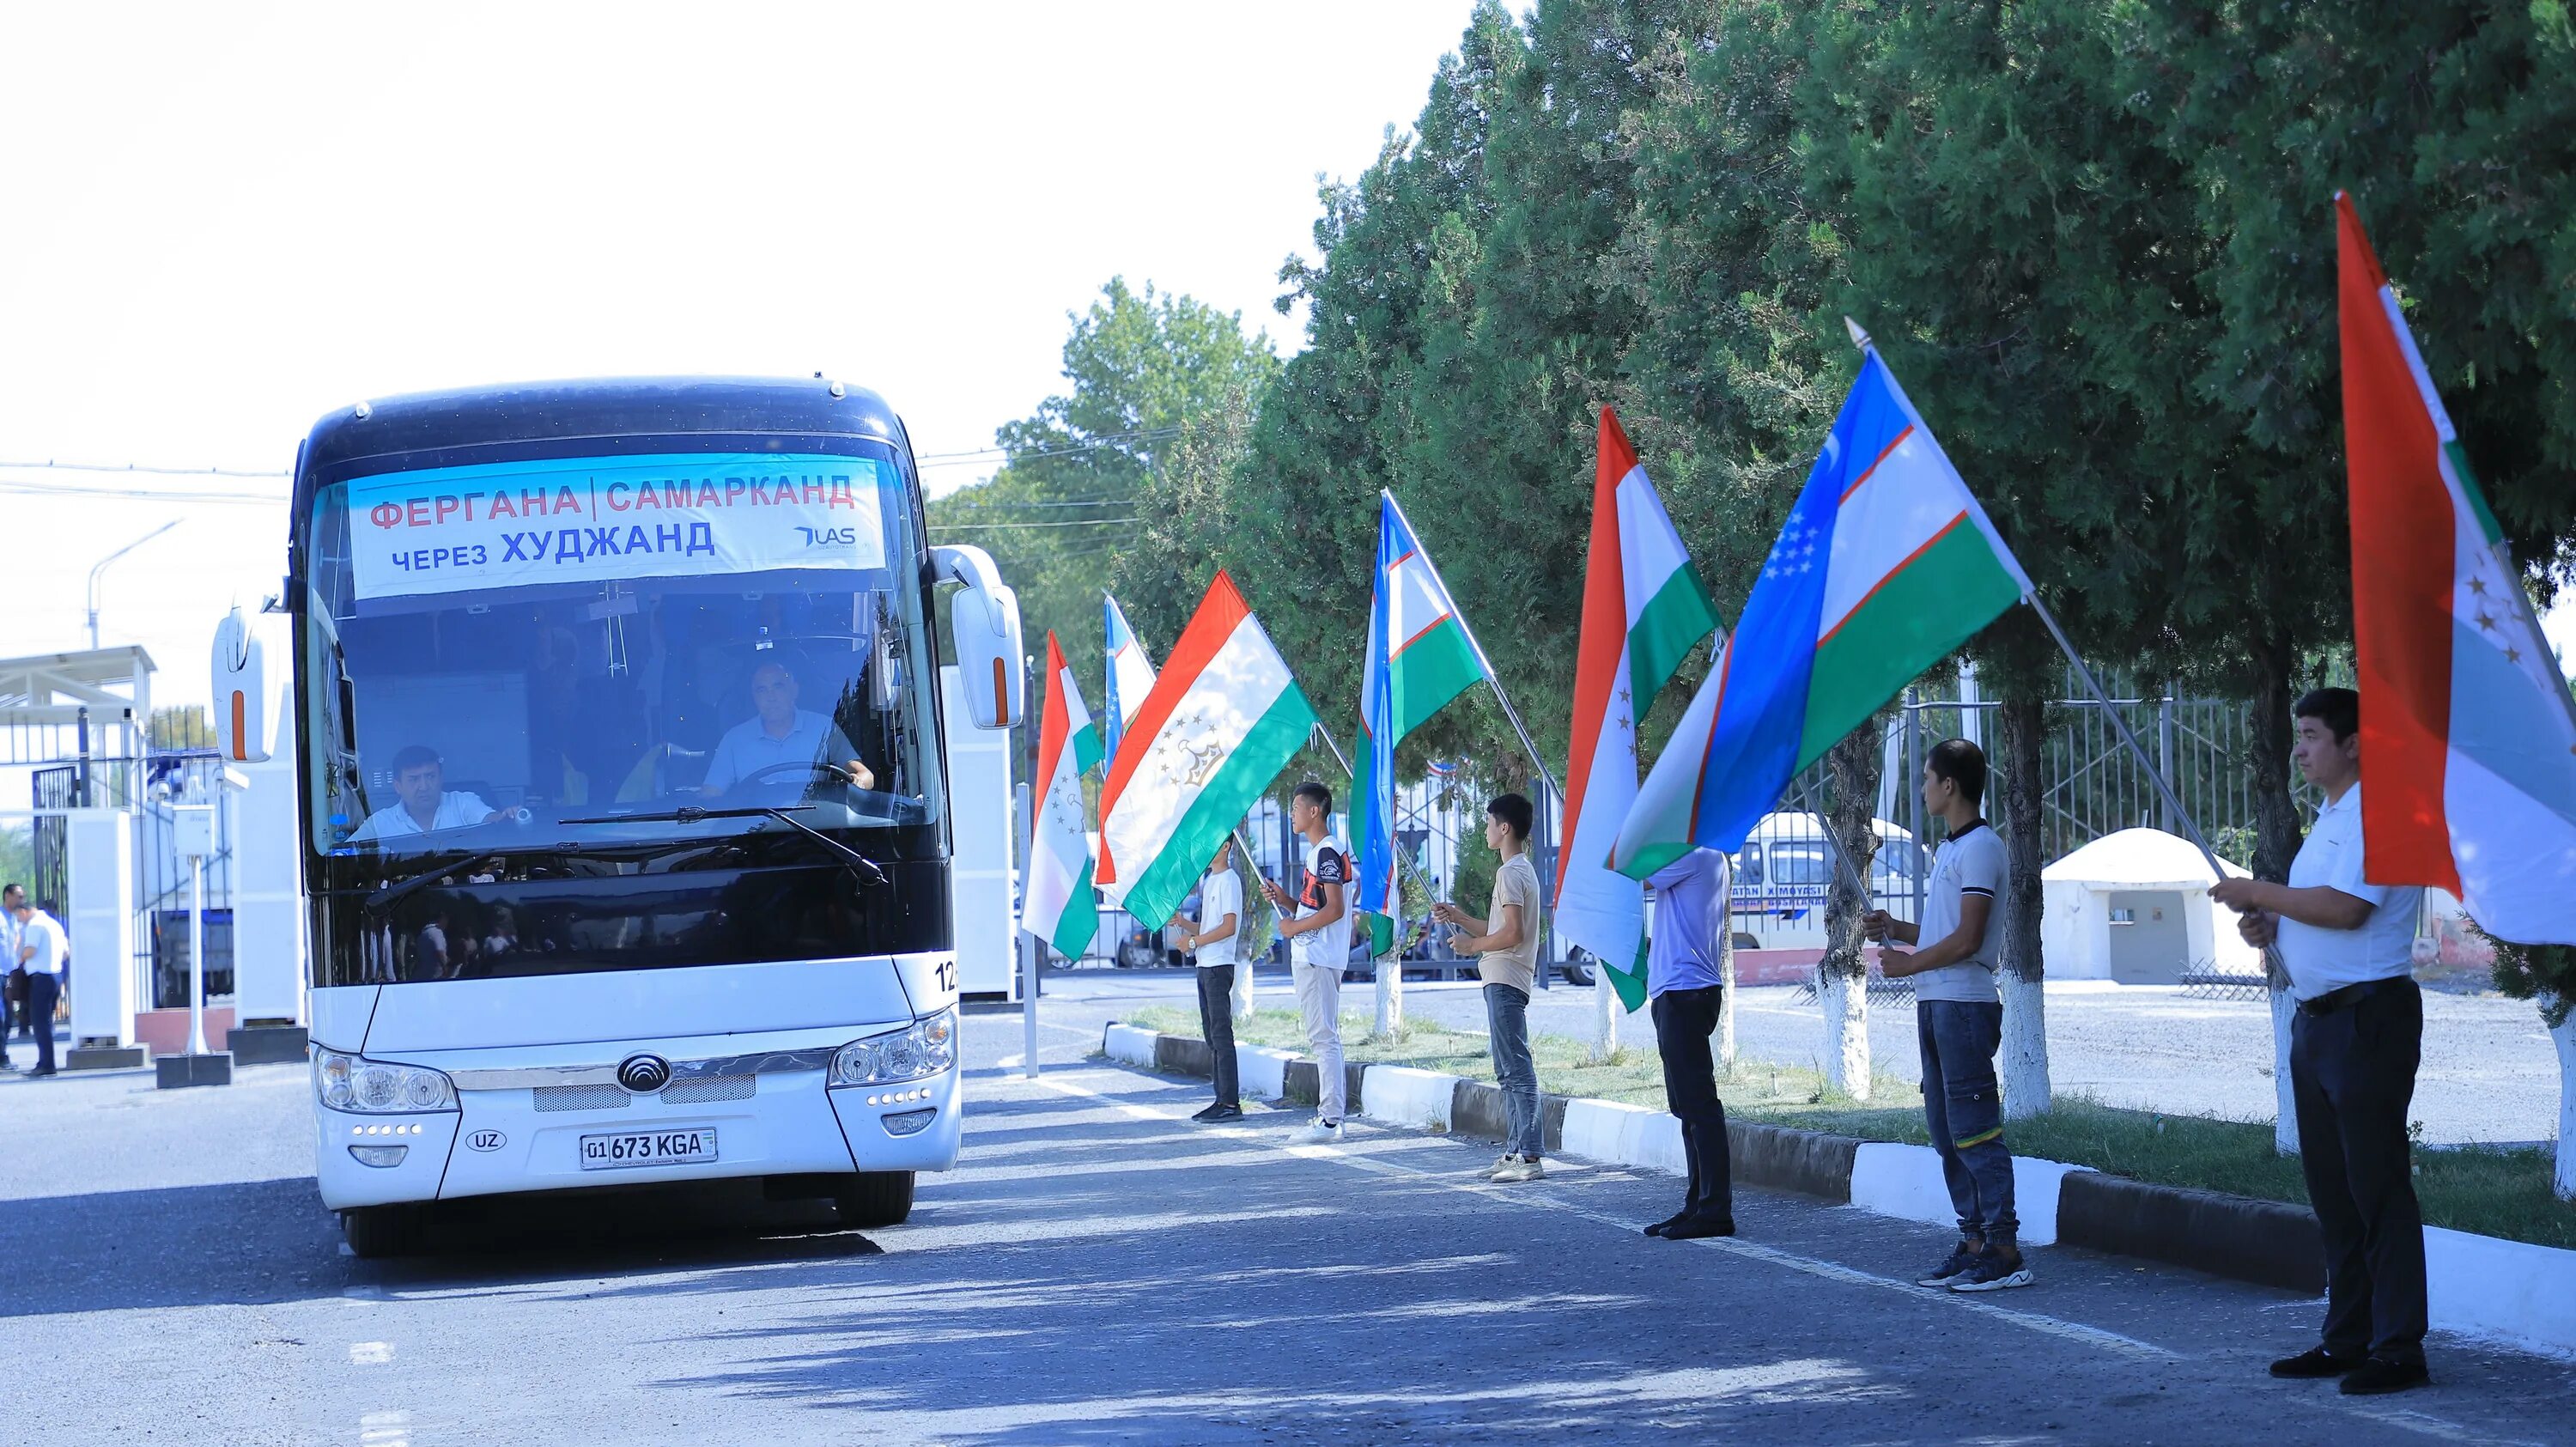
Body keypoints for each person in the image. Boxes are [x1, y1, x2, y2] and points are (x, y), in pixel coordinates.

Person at [2209, 687, 2430, 1396]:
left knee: (2378, 1189)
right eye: (2298, 734)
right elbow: (2311, 910)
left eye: (2310, 734)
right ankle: (2348, 1338)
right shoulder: (2332, 818)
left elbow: (2348, 907)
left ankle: (2400, 1349)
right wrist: (2267, 924)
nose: (2299, 748)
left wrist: (2263, 893)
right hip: (2319, 1021)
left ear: (2354, 742)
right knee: (2335, 1194)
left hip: (2369, 1020)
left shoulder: (2380, 811)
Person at [1863, 738, 2028, 1292]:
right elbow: (1942, 931)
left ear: (1949, 785)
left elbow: (1968, 939)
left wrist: (1907, 964)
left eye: (1927, 777)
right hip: (1937, 1004)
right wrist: (1898, 927)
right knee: (1945, 1129)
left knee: (1975, 1129)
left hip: (1963, 1004)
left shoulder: (1982, 847)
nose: (1923, 787)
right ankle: (1975, 1238)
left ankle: (2004, 1248)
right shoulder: (1952, 850)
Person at [1433, 793, 1546, 1182]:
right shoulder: (1518, 871)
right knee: (1507, 1069)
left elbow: (1510, 934)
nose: (1485, 830)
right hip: (1502, 976)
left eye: (1488, 823)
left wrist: (1471, 946)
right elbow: (1498, 928)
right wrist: (1460, 918)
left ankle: (1529, 1156)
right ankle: (1516, 1151)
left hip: (1505, 977)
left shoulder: (1511, 873)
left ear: (1505, 828)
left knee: (1515, 1067)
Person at [1642, 847, 1737, 1238]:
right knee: (1687, 1108)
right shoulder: (1699, 854)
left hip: (1686, 990)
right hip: (1677, 990)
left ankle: (1716, 1210)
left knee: (1699, 1107)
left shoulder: (1697, 854)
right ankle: (1698, 1204)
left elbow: (1637, 874)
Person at [1262, 781, 1351, 1143]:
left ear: (1315, 811)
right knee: (1324, 1036)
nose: (1292, 813)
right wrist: (1286, 900)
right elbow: (1317, 905)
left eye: (1297, 806)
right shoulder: (1321, 853)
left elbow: (1335, 908)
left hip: (1317, 959)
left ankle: (1330, 1120)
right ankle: (1331, 1117)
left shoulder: (1326, 852)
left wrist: (1294, 926)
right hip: (1316, 957)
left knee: (1323, 1038)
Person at [699, 659, 875, 795]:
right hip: (752, 832)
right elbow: (712, 794)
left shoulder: (824, 728)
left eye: (778, 687)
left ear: (794, 691)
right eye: (762, 690)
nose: (771, 697)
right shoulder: (734, 740)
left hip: (818, 829)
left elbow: (864, 775)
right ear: (754, 698)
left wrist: (858, 783)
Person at [1180, 836, 1245, 1122]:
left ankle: (1230, 1103)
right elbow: (1208, 926)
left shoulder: (1229, 880)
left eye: (1213, 843)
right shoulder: (1210, 881)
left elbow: (1228, 927)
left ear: (1226, 847)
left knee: (1221, 1034)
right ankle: (1220, 1099)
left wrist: (1193, 943)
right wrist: (1184, 925)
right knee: (1211, 1035)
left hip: (1219, 966)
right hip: (1205, 964)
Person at [356, 746, 513, 840]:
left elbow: (492, 820)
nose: (424, 786)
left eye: (430, 776)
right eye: (414, 779)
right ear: (398, 786)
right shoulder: (380, 823)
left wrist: (506, 818)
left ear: (440, 778)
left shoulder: (464, 803)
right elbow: (344, 854)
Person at [12, 899, 66, 1078]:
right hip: (55, 975)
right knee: (46, 1022)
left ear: (23, 911)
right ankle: (44, 1061)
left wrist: (18, 960)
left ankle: (47, 1064)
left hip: (40, 977)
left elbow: (30, 951)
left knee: (40, 1022)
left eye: (18, 917)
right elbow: (66, 952)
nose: (20, 921)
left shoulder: (35, 925)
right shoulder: (54, 924)